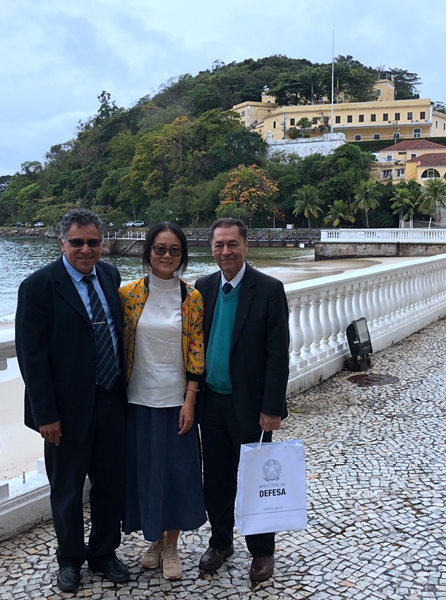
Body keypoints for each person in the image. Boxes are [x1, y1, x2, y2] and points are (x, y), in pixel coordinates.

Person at [15, 209, 130, 593]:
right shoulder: (38, 286)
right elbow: (31, 357)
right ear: (61, 242)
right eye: (77, 242)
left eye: (93, 242)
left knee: (110, 485)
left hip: (112, 400)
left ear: (102, 244)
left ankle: (104, 553)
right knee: (66, 490)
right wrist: (45, 413)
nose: (85, 249)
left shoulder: (110, 276)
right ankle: (69, 559)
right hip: (64, 411)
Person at [194, 217, 290, 583]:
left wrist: (272, 408)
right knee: (216, 480)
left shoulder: (268, 289)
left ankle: (262, 551)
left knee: (257, 480)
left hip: (250, 405)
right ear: (212, 249)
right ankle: (220, 542)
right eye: (219, 245)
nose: (225, 251)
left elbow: (277, 353)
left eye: (232, 244)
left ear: (245, 246)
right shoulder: (204, 287)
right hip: (211, 402)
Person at [119, 222, 206, 580]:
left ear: (182, 255)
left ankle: (171, 545)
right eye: (160, 249)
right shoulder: (128, 295)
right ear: (148, 252)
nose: (167, 255)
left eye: (174, 250)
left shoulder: (192, 298)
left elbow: (197, 351)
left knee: (176, 473)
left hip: (175, 400)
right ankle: (153, 539)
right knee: (146, 473)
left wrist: (190, 399)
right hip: (137, 398)